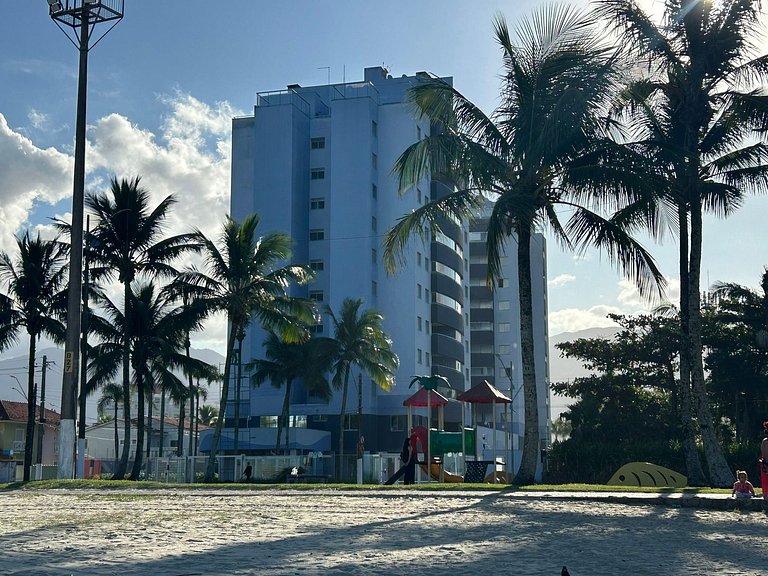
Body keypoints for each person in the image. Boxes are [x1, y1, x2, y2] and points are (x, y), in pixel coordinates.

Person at [760, 422, 768, 498]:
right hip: (766, 463)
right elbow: (764, 453)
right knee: (766, 480)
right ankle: (765, 496)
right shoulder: (765, 441)